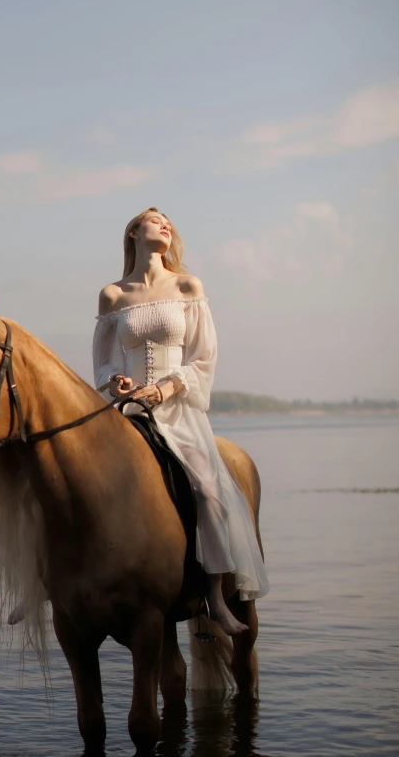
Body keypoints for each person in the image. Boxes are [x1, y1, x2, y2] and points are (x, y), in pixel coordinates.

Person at [92, 207, 269, 636]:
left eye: (168, 222)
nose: (165, 225)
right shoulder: (112, 295)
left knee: (210, 492)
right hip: (131, 412)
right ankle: (51, 581)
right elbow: (103, 364)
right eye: (156, 220)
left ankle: (213, 598)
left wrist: (166, 389)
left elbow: (203, 357)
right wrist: (116, 382)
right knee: (76, 480)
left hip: (179, 410)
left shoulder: (189, 286)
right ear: (134, 231)